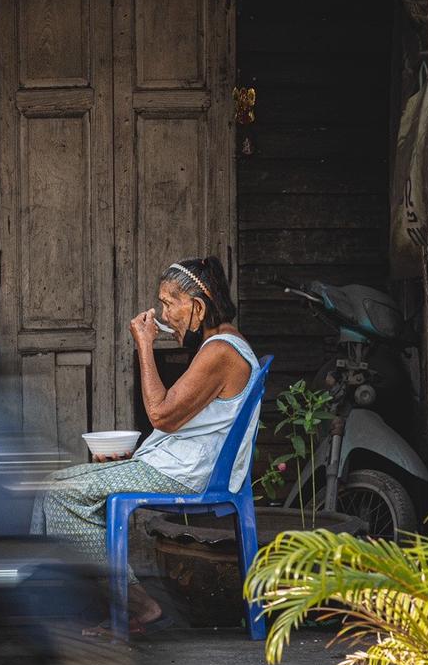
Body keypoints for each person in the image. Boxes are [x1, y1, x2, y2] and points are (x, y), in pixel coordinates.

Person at [32, 255, 259, 634]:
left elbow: (161, 415)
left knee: (62, 494)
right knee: (54, 485)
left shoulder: (221, 351)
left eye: (170, 303)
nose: (163, 314)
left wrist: (144, 345)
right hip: (175, 463)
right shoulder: (221, 343)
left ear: (198, 307)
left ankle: (137, 606)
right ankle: (69, 599)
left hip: (187, 474)